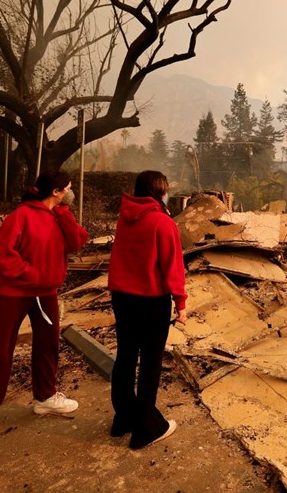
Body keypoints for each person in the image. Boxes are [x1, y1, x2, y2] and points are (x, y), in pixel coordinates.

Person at [0, 171, 89, 442]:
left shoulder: (60, 216)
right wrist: (32, 275)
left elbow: (77, 242)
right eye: (68, 188)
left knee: (48, 344)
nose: (70, 193)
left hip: (46, 293)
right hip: (13, 292)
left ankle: (45, 397)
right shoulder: (21, 216)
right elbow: (2, 253)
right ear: (56, 191)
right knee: (3, 348)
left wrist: (64, 215)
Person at [108, 170, 187, 449]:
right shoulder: (162, 223)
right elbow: (173, 267)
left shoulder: (125, 217)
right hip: (151, 302)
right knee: (150, 362)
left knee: (126, 357)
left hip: (122, 298)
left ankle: (124, 419)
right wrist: (181, 305)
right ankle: (147, 428)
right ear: (160, 192)